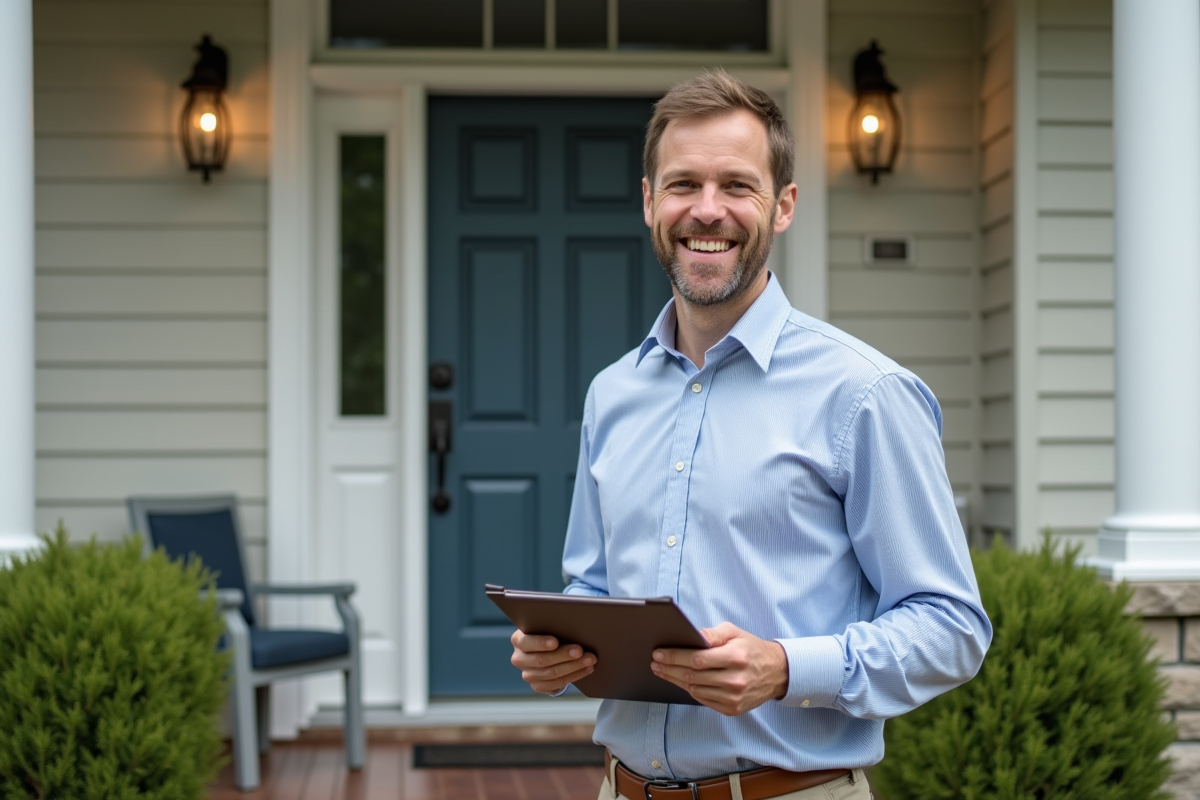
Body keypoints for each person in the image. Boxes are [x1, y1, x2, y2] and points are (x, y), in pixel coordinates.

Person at [510, 70, 991, 800]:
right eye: (682, 185)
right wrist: (561, 650)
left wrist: (788, 667)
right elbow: (595, 585)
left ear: (783, 205)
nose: (708, 211)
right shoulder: (613, 394)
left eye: (737, 185)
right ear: (649, 202)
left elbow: (952, 628)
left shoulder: (864, 394)